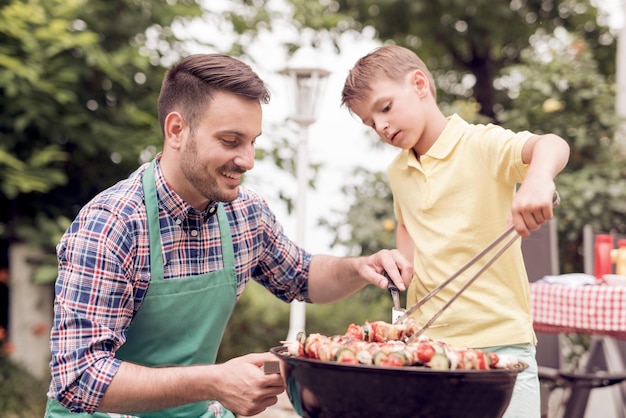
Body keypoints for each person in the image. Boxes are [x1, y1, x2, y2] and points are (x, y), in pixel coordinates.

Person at [45, 53, 413, 418]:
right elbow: (79, 378)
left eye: (252, 141)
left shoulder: (245, 214)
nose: (248, 160)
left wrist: (362, 267)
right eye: (231, 140)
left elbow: (302, 276)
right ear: (176, 131)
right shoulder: (112, 225)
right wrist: (215, 382)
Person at [341, 45, 570, 418]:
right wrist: (403, 267)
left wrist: (538, 179)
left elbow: (551, 144)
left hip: (501, 349)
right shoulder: (398, 171)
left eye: (384, 108)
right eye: (370, 123)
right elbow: (407, 224)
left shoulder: (480, 144)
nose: (381, 126)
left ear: (419, 85)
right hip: (429, 351)